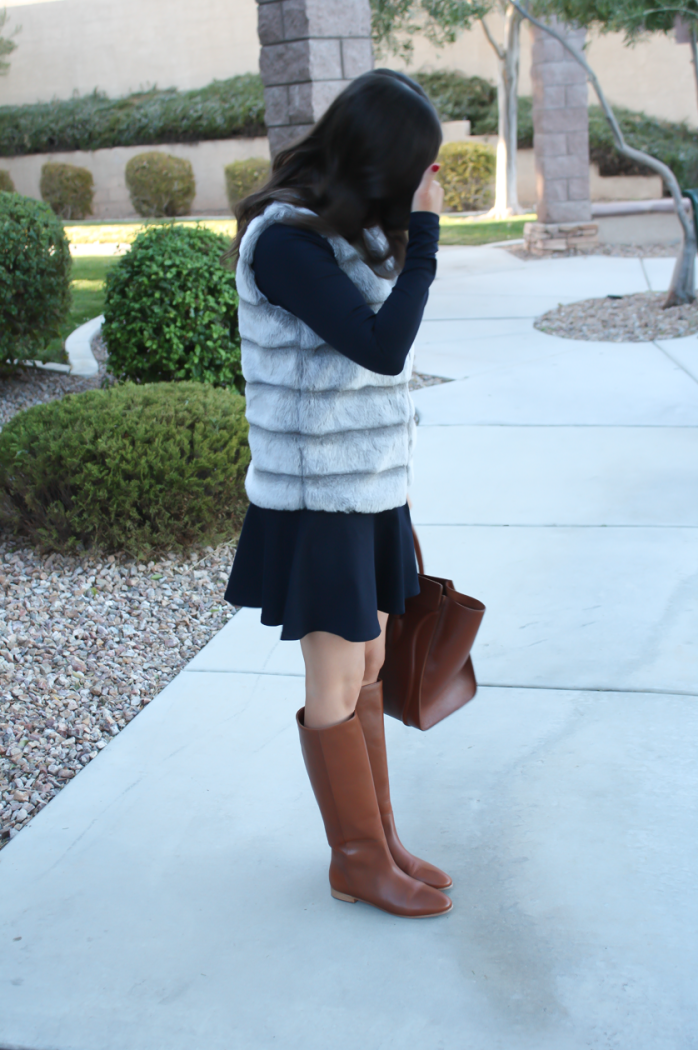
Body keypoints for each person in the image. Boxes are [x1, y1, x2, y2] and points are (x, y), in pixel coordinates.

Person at [225, 69, 451, 919]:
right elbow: (382, 347)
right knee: (336, 675)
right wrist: (425, 234)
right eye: (418, 167)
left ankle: (381, 839)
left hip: (369, 489)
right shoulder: (284, 242)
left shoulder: (342, 233)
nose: (424, 183)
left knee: (372, 663)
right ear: (382, 159)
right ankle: (355, 858)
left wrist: (404, 232)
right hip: (318, 500)